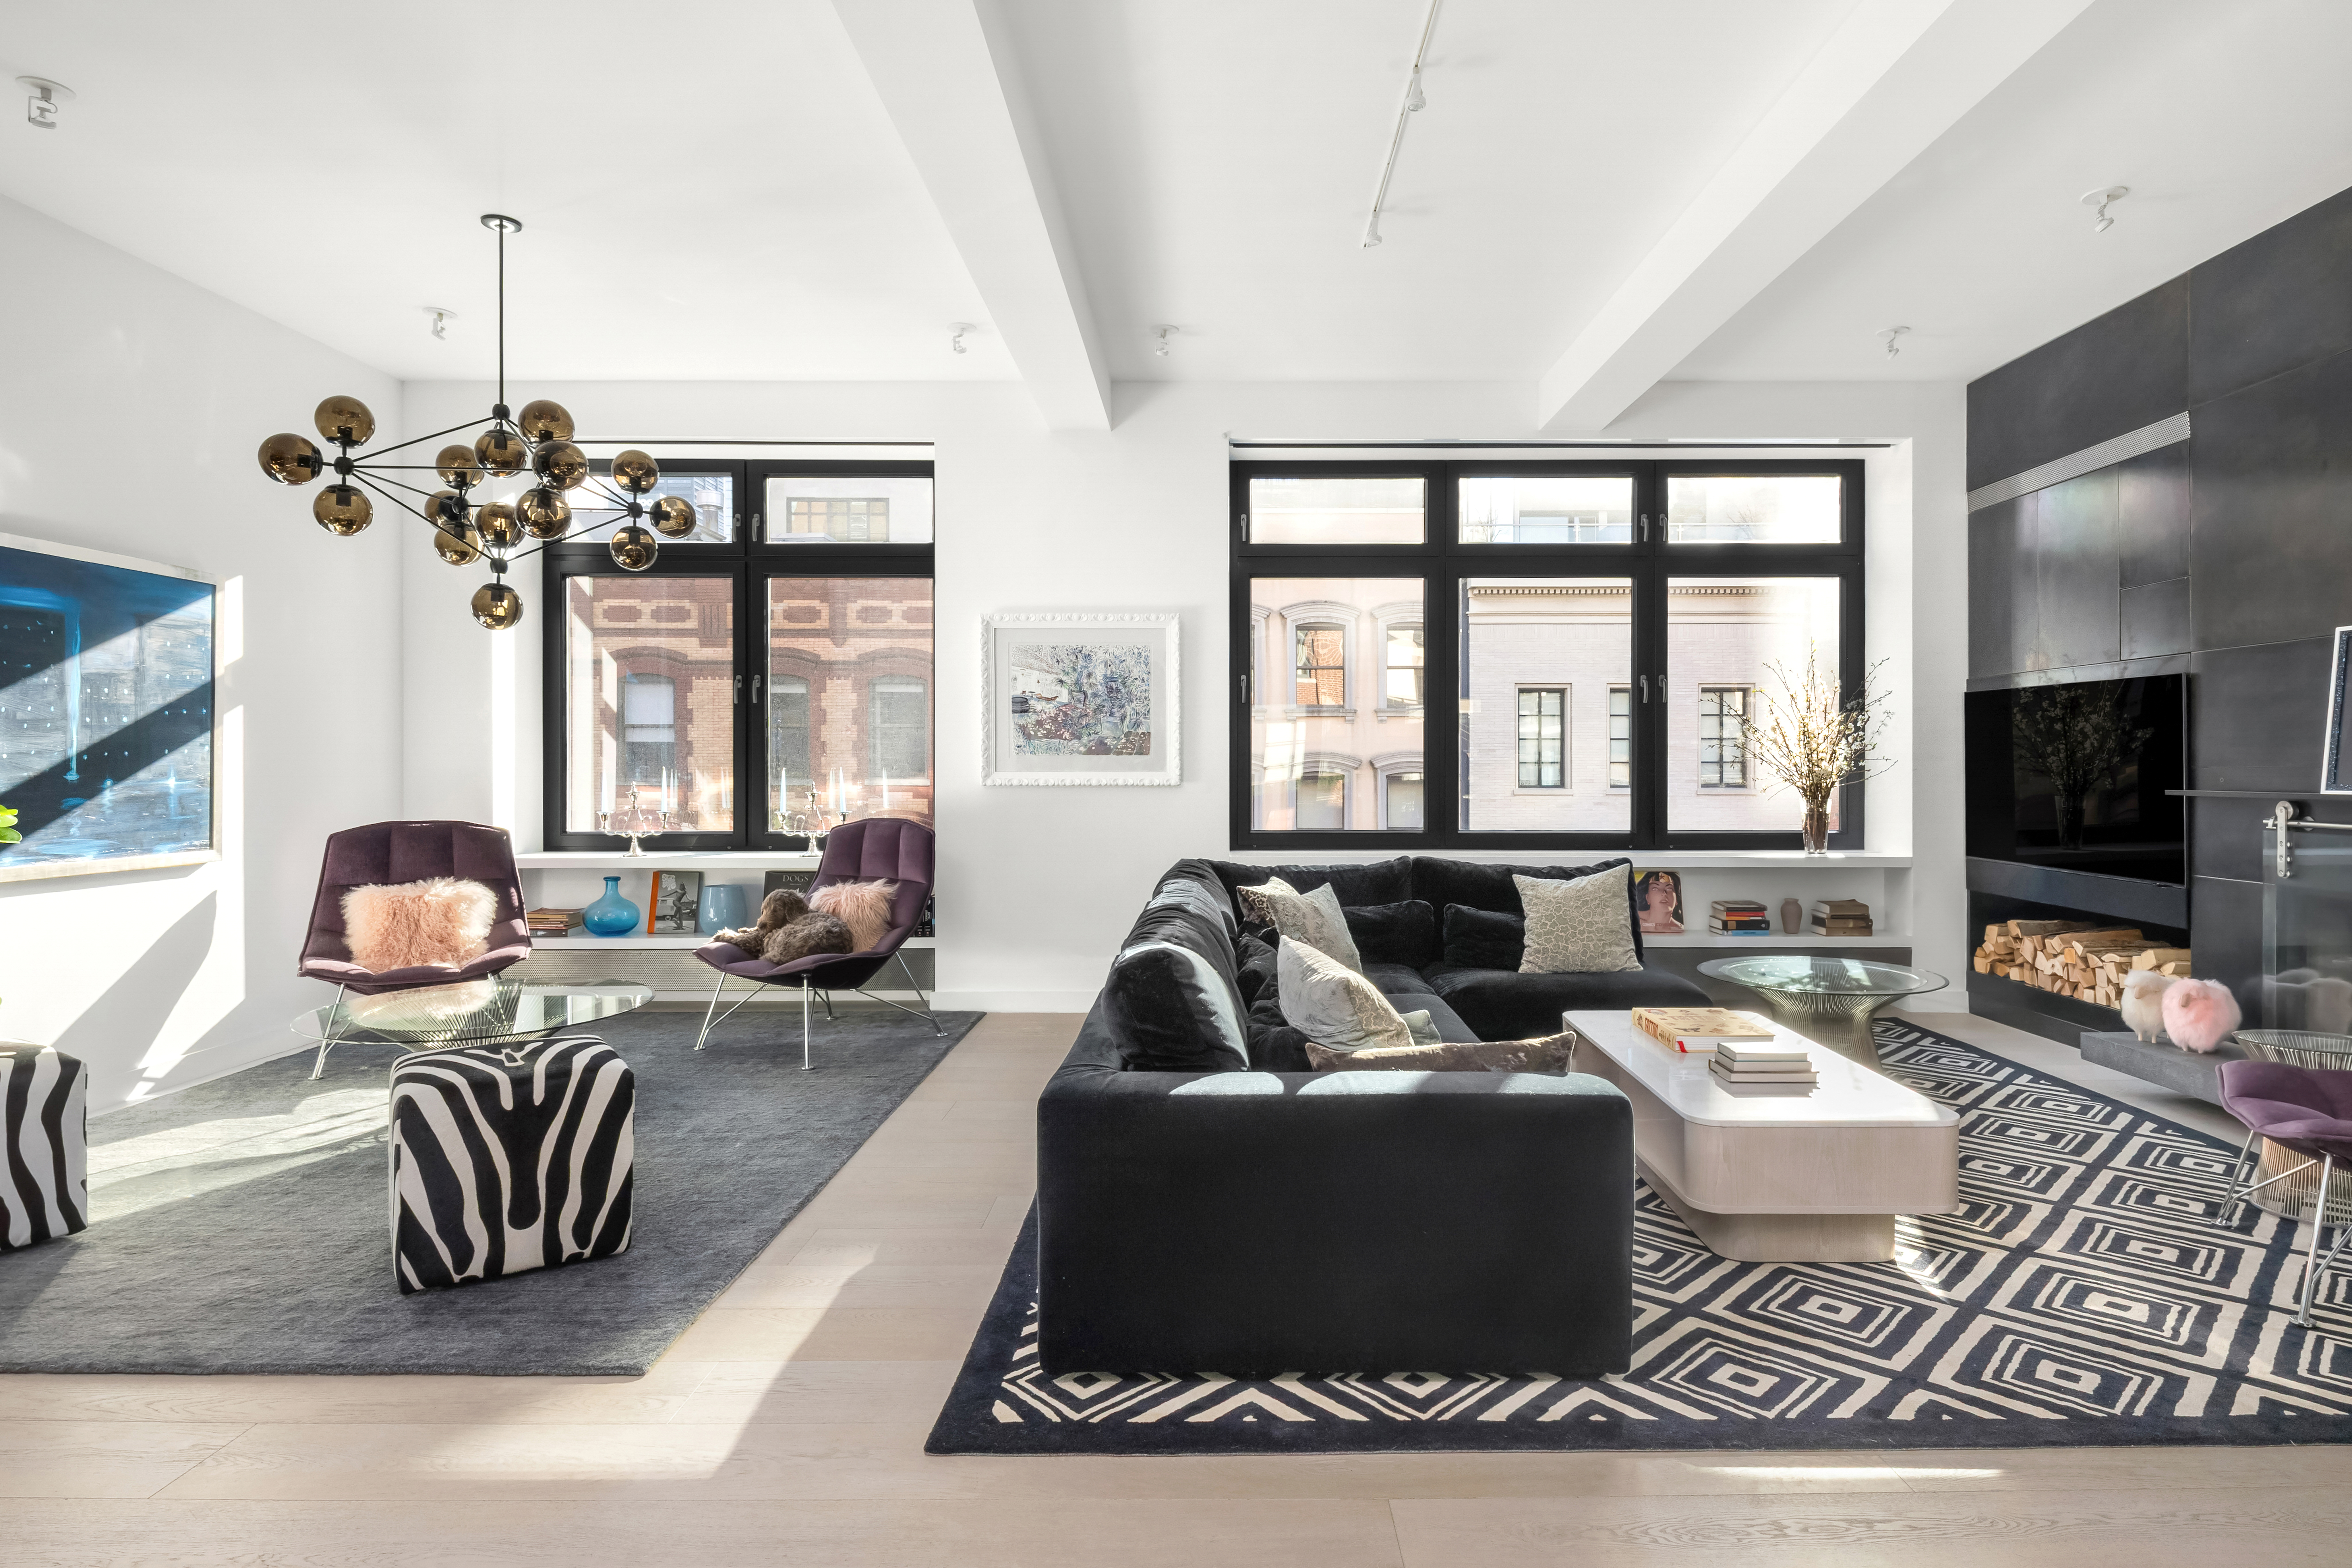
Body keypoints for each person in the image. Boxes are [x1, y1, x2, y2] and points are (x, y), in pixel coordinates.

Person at [1635, 871, 1683, 935]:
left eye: (1670, 889)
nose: (1664, 894)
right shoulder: (1632, 919)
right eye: (1656, 889)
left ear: (1677, 899)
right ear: (1647, 898)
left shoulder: (1680, 929)